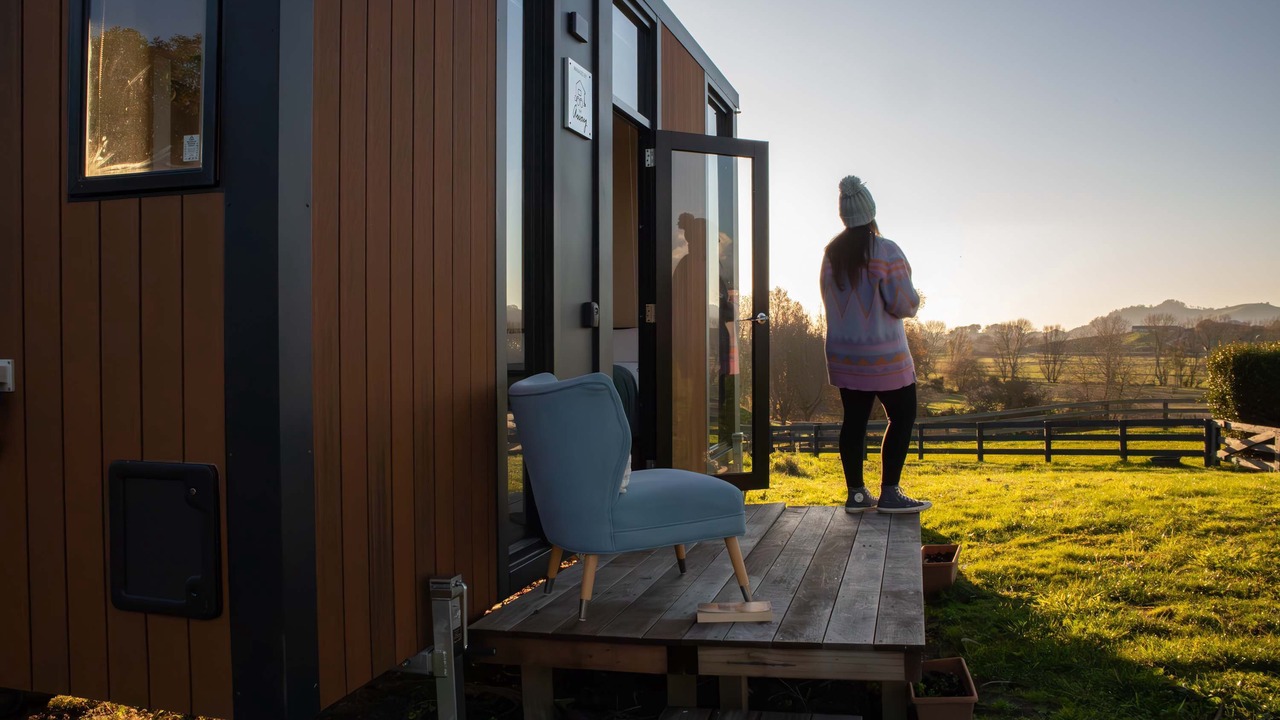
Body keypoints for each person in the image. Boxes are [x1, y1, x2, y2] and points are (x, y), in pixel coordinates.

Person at [820, 175, 930, 514]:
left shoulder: (831, 254)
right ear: (870, 212)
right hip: (885, 356)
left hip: (844, 355)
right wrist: (918, 299)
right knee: (902, 416)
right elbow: (903, 304)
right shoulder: (885, 250)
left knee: (854, 421)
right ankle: (890, 494)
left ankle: (856, 494)